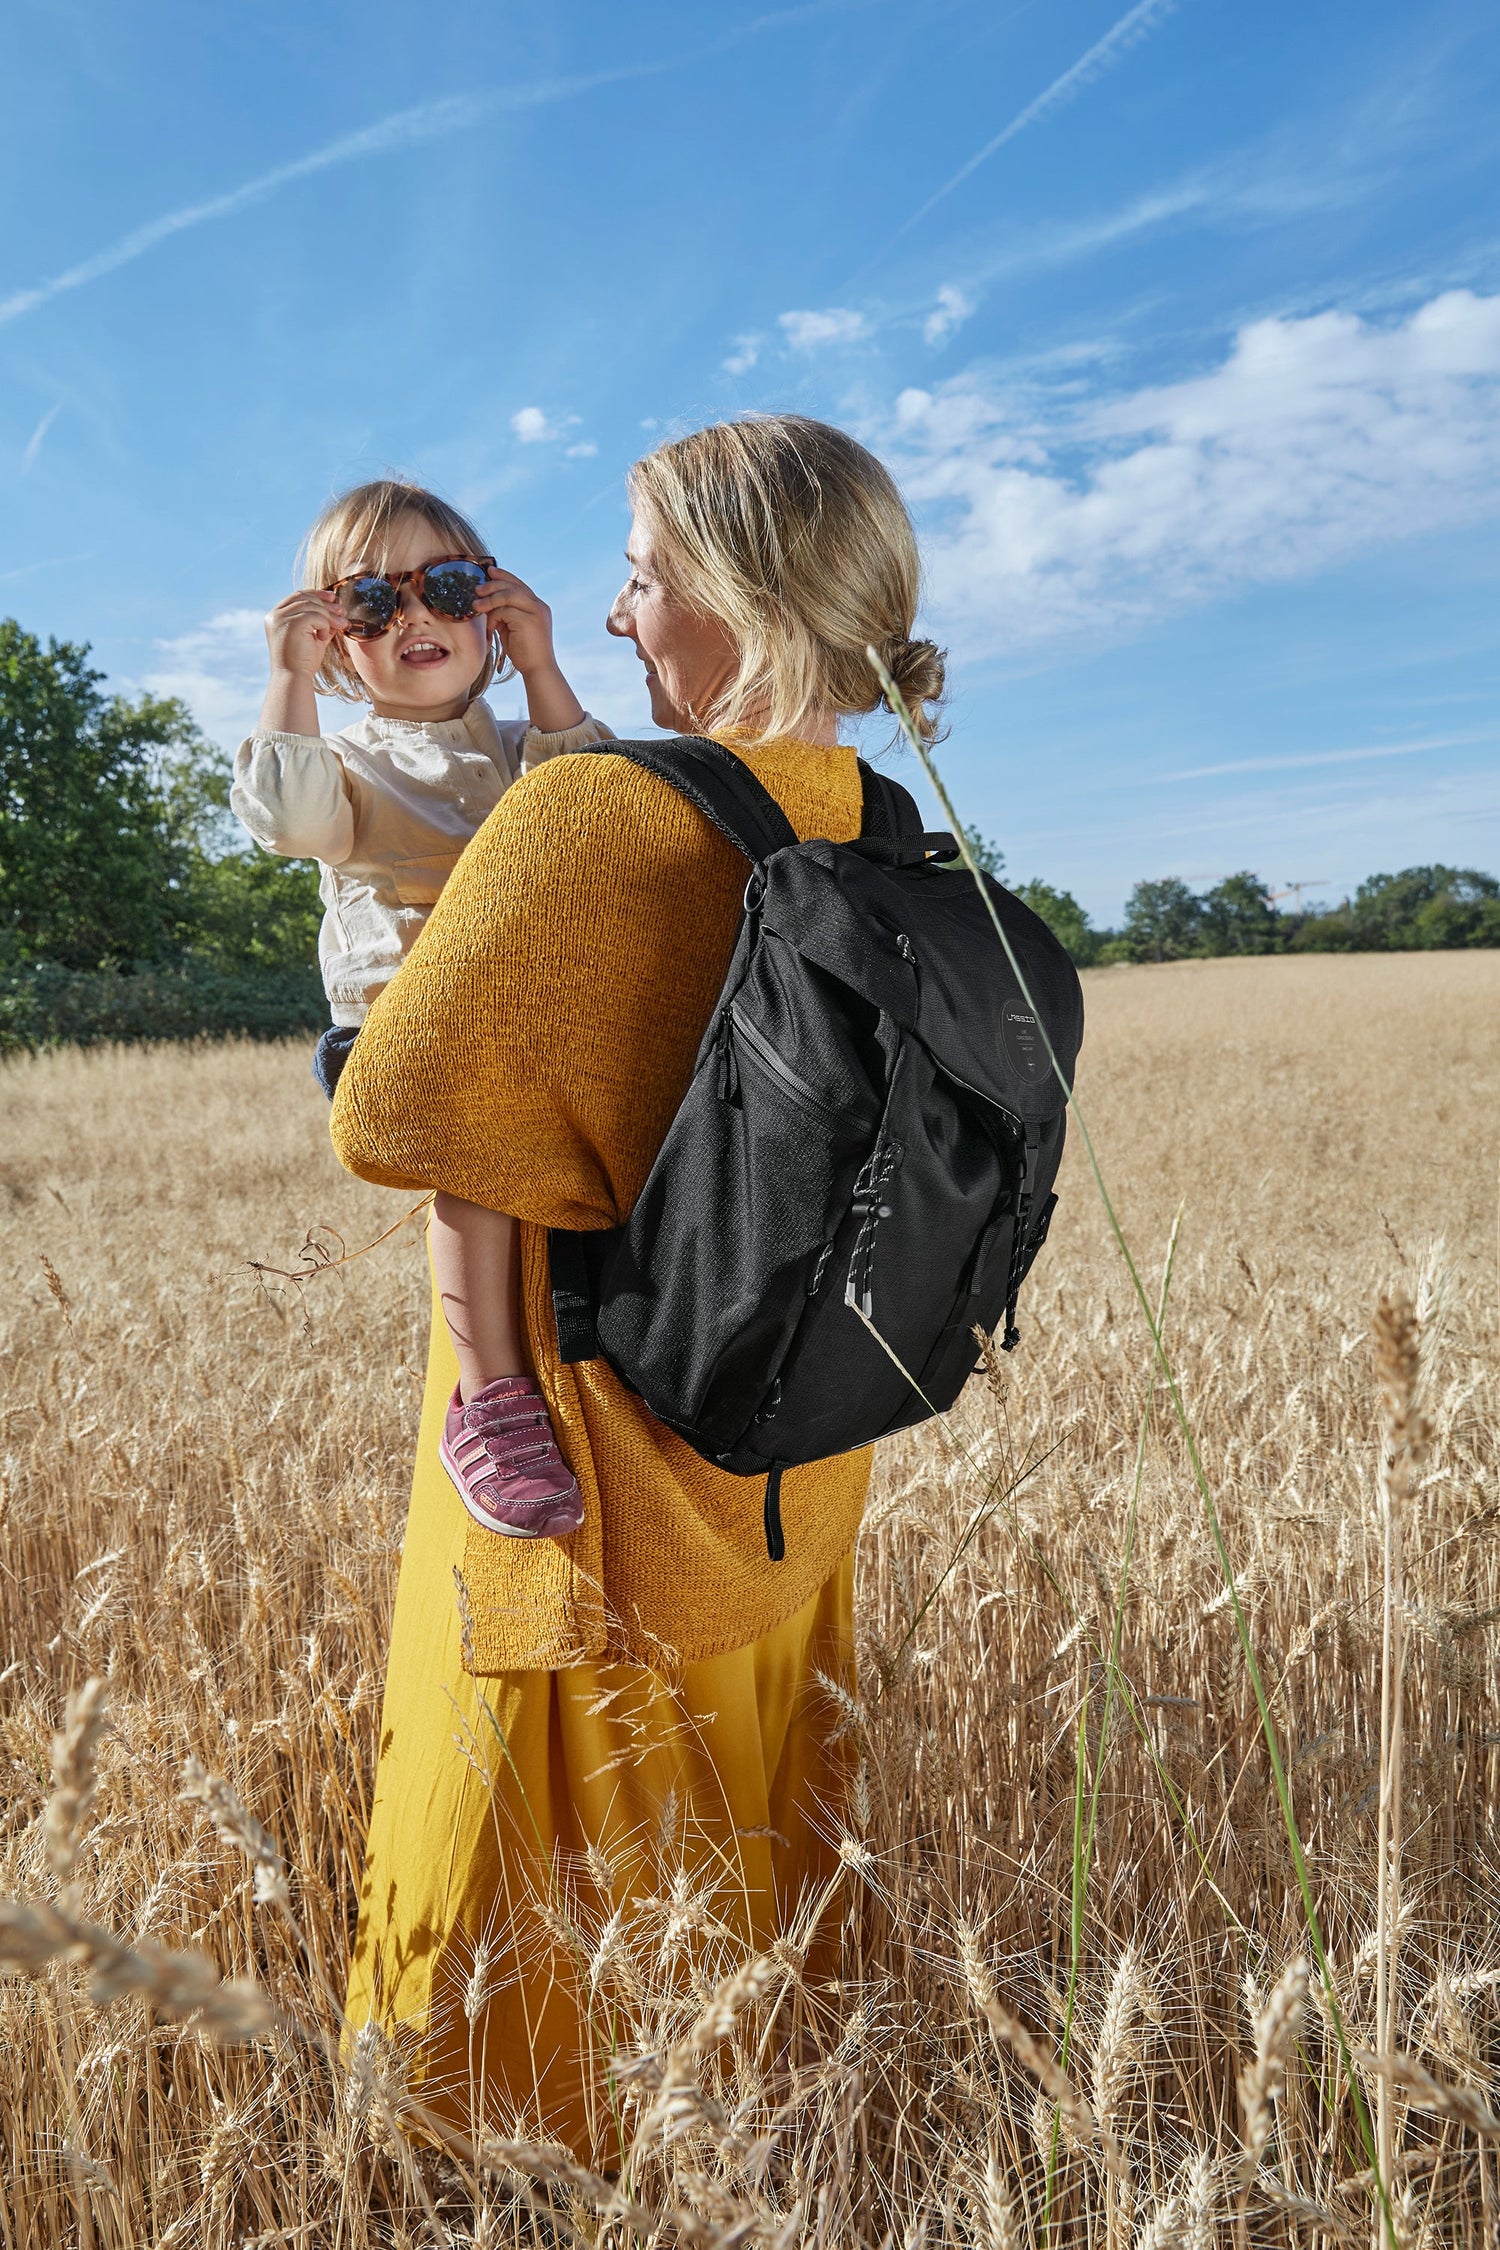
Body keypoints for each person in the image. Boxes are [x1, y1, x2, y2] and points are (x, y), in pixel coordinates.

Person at [329, 416, 946, 2153]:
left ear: (741, 599)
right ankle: (760, 2105)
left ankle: (526, 2157)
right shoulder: (877, 817)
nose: (610, 619)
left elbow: (395, 1107)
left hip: (576, 1435)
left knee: (538, 1829)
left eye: (643, 576)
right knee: (751, 1788)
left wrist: (495, 1391)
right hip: (801, 1421)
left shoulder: (596, 818)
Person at [233, 478, 605, 1540]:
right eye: (367, 607)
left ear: (487, 605)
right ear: (336, 643)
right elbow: (287, 816)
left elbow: (594, 810)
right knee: (478, 1161)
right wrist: (284, 680)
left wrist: (541, 669)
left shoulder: (514, 745)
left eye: (445, 585)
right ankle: (491, 1400)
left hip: (534, 1027)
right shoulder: (346, 763)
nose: (413, 620)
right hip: (408, 1043)